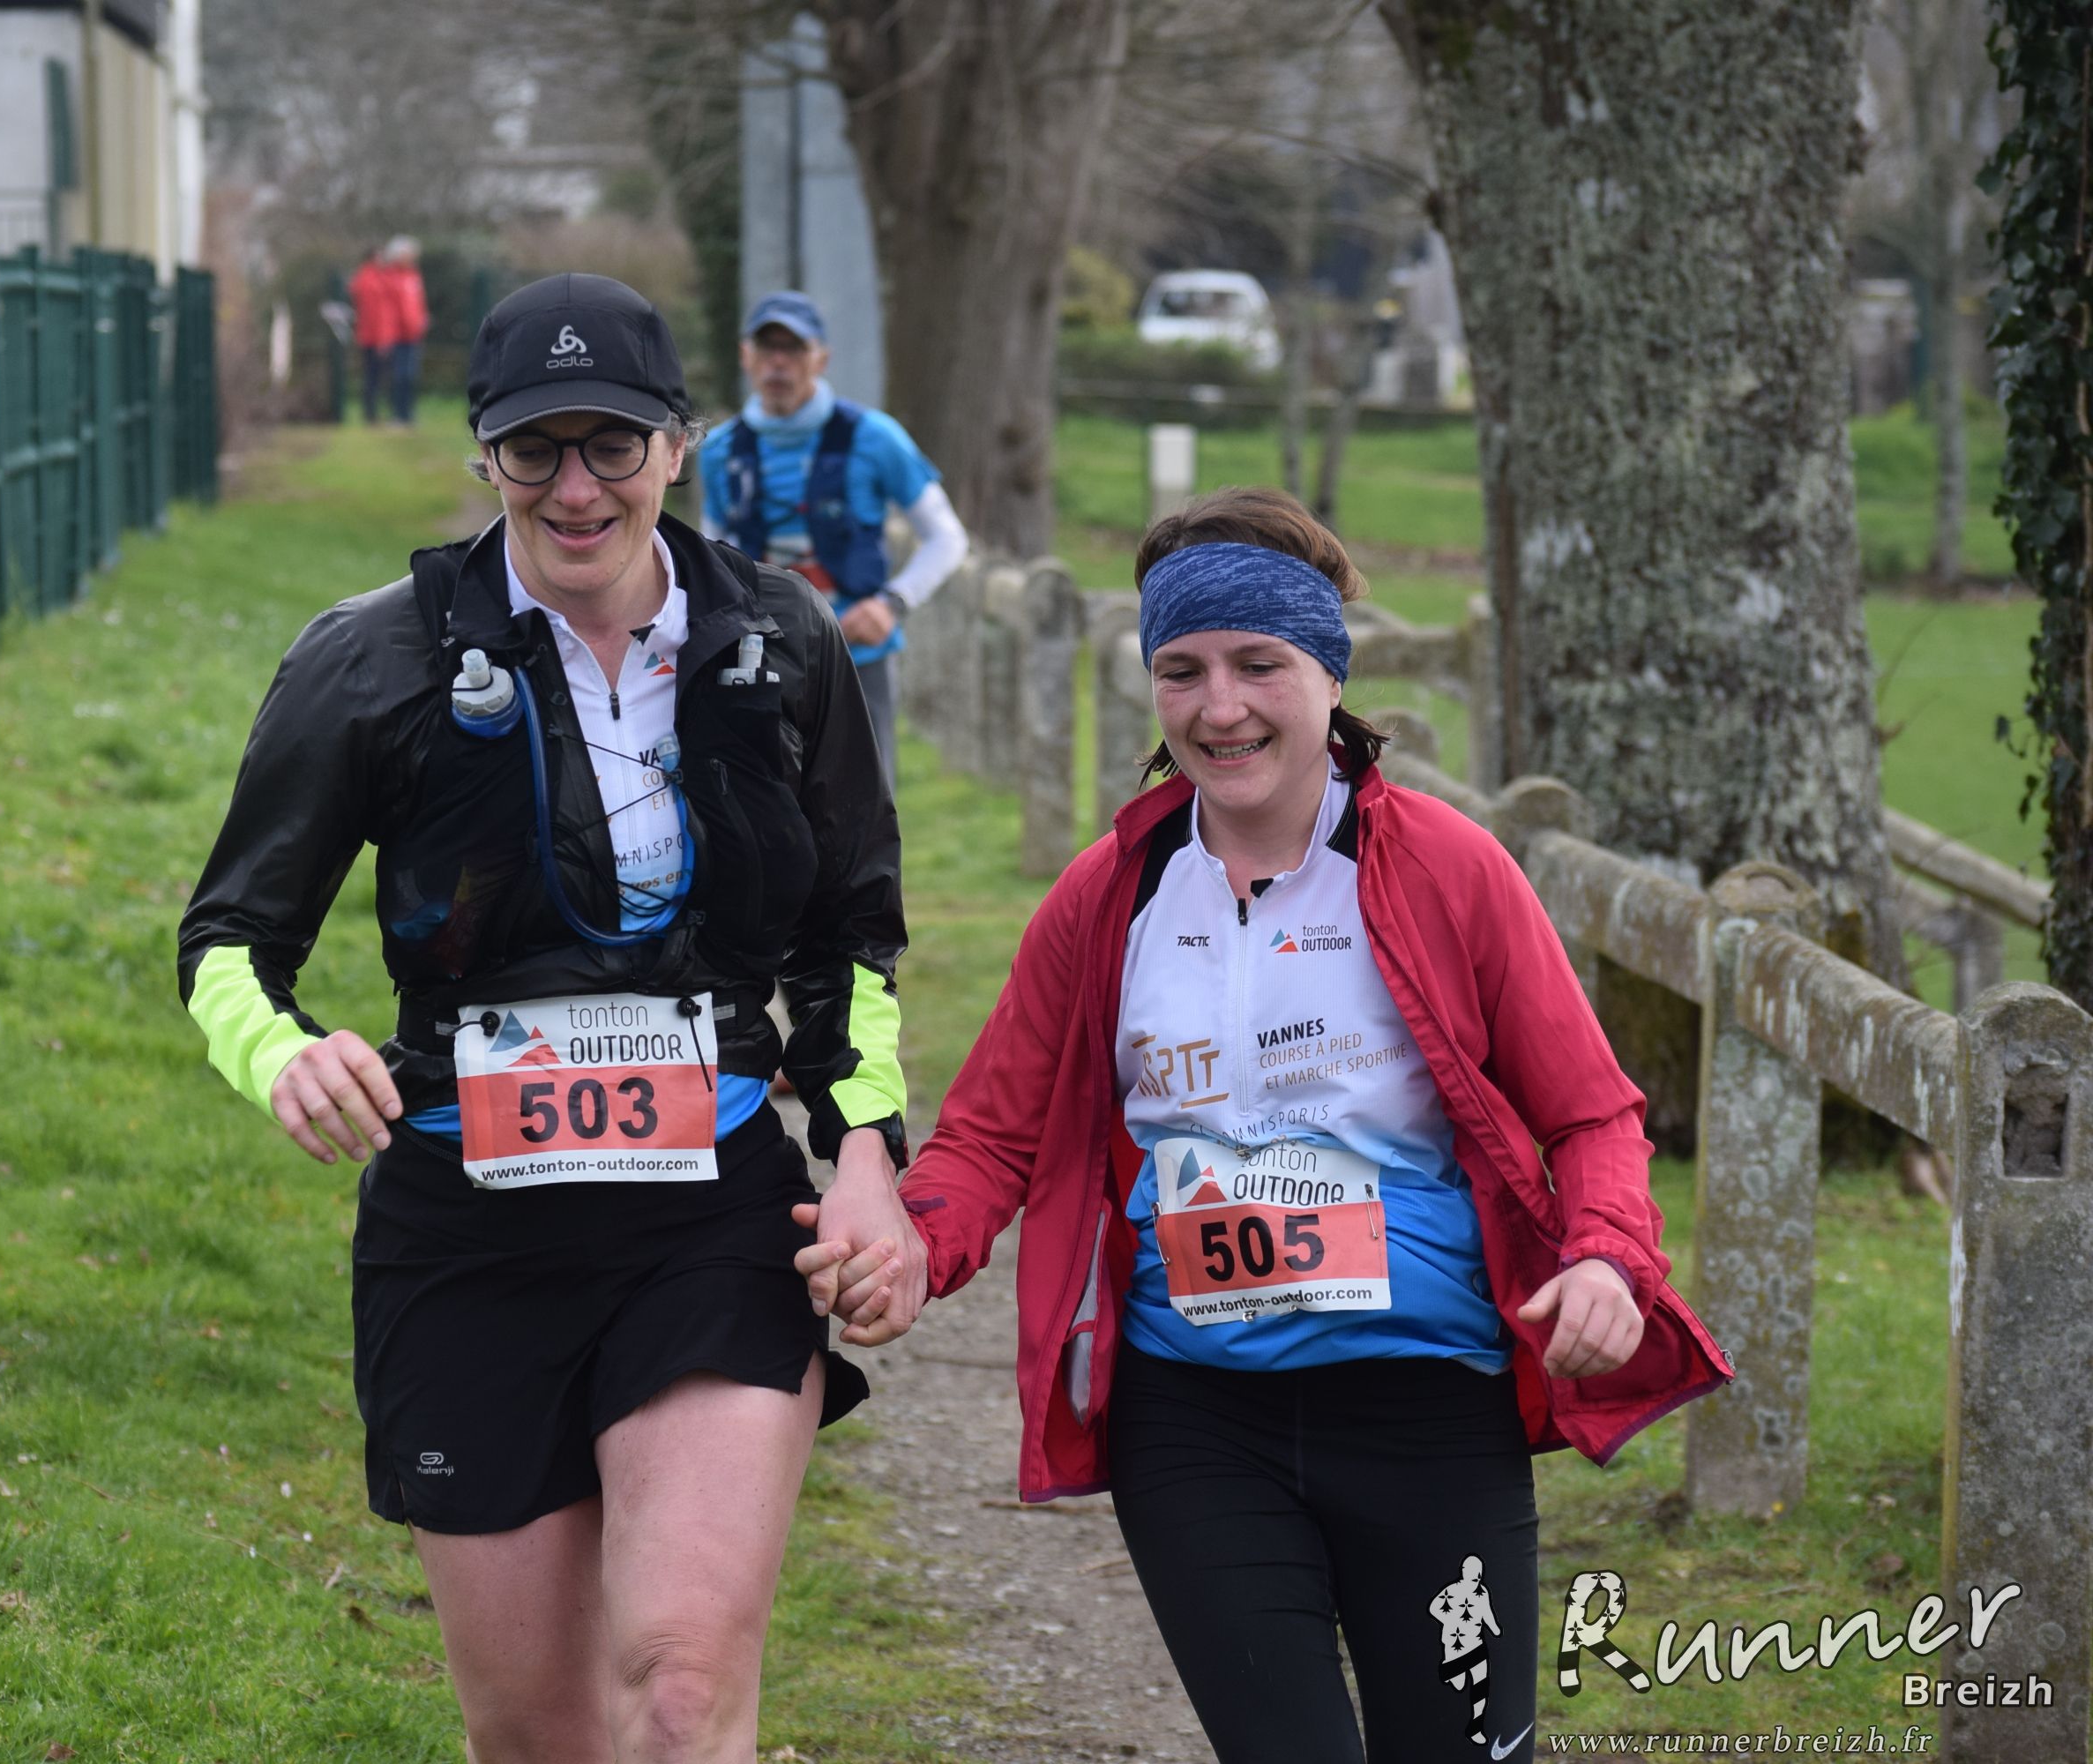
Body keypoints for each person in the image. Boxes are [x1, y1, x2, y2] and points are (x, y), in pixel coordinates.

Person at [796, 488, 1734, 1762]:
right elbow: (992, 1136)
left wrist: (1610, 1258)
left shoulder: (1449, 869)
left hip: (1427, 1409)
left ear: (1329, 677)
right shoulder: (1112, 893)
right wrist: (915, 1242)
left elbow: (1590, 1113)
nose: (1219, 706)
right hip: (1195, 1419)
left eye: (1258, 665)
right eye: (1180, 670)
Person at [179, 272, 907, 1760]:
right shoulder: (372, 657)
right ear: (486, 457)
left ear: (678, 447)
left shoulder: (782, 641)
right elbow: (228, 945)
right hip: (469, 1230)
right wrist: (285, 1055)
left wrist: (866, 1156)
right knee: (540, 1733)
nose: (575, 489)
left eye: (612, 445)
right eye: (534, 450)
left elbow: (851, 940)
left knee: (682, 1689)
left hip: (708, 1218)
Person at [697, 291, 968, 787]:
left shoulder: (875, 437)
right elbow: (707, 558)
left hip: (858, 660)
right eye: (767, 348)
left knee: (866, 808)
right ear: (746, 356)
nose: (779, 363)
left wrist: (891, 604)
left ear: (821, 359)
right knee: (763, 811)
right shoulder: (719, 452)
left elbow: (947, 538)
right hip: (757, 664)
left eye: (794, 349)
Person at [348, 235, 430, 428]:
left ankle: (407, 415)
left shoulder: (413, 276)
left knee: (409, 377)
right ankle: (395, 415)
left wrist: (421, 322)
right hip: (395, 337)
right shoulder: (388, 278)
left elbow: (418, 304)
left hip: (413, 336)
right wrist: (385, 337)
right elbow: (385, 312)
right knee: (396, 377)